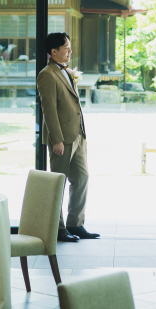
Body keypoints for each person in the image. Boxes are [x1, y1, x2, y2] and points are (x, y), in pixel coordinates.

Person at [37, 32, 99, 242]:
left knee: (82, 178)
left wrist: (82, 133)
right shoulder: (47, 74)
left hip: (78, 135)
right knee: (58, 183)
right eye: (66, 48)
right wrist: (57, 139)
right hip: (62, 138)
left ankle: (76, 223)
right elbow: (49, 110)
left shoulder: (66, 71)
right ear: (54, 51)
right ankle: (58, 228)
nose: (70, 51)